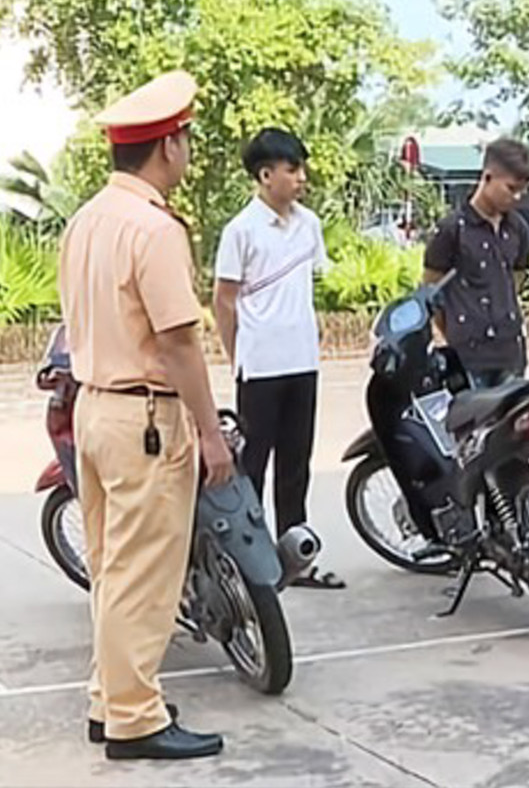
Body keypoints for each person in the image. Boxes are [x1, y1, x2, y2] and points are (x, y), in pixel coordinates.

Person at [59, 70, 232, 760]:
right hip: (147, 420)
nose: (187, 150)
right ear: (168, 146)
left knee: (113, 570)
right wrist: (211, 431)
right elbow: (178, 341)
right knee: (146, 577)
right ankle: (134, 720)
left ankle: (111, 701)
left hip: (94, 408)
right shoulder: (154, 229)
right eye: (185, 139)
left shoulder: (86, 220)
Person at [213, 128, 343, 589]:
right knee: (253, 466)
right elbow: (223, 300)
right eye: (292, 169)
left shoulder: (309, 224)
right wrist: (237, 355)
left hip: (302, 361)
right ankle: (250, 562)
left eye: (302, 168)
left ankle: (295, 556)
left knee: (296, 463)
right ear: (265, 175)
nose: (301, 177)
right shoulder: (241, 231)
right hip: (260, 366)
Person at [423, 138, 529, 388]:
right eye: (511, 188)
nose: (516, 197)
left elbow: (516, 283)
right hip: (467, 357)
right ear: (487, 177)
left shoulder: (518, 229)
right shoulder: (451, 230)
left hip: (510, 354)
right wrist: (455, 330)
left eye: (522, 191)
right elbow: (431, 292)